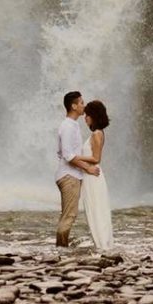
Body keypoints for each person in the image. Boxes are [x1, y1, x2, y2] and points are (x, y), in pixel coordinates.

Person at [55, 91, 99, 247]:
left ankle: (61, 248)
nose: (84, 105)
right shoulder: (68, 126)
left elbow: (63, 153)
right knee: (69, 215)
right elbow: (68, 155)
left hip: (70, 175)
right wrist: (88, 168)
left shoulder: (72, 125)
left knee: (68, 215)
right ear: (73, 106)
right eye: (81, 103)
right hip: (69, 176)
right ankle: (61, 250)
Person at [80, 100, 114, 251]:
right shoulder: (97, 133)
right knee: (95, 209)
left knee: (96, 209)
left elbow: (96, 158)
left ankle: (102, 245)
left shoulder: (96, 134)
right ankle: (101, 243)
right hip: (91, 176)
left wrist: (75, 157)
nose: (85, 117)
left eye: (87, 114)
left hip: (93, 176)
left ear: (94, 116)